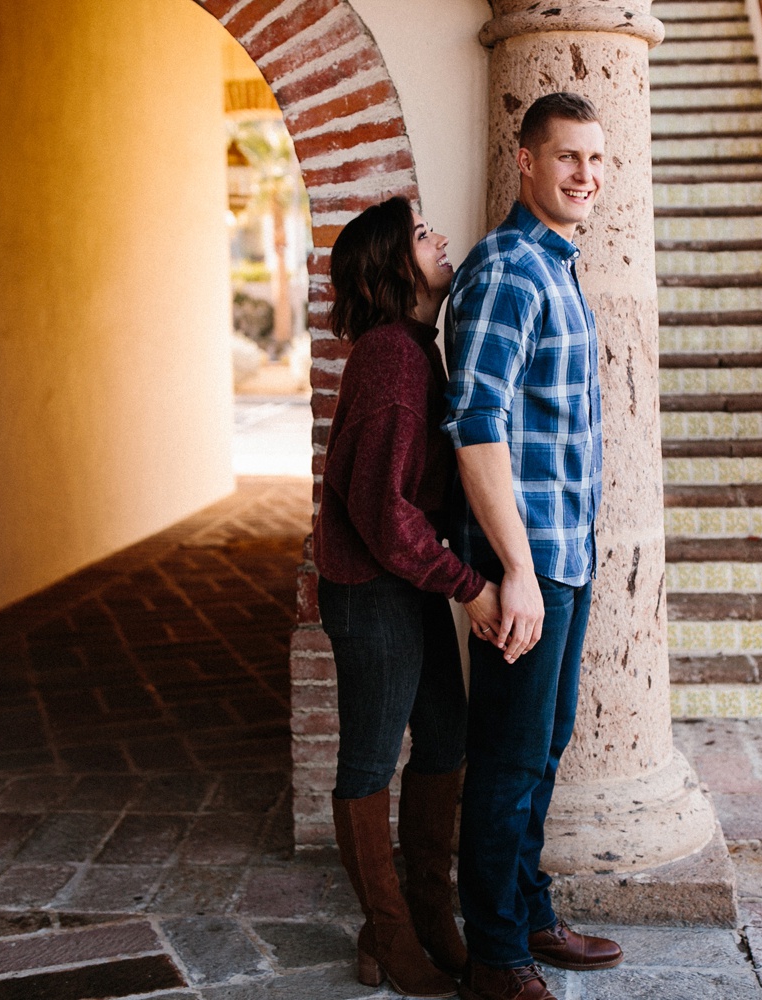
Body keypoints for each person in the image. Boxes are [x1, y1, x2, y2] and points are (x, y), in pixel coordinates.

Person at [442, 92, 624, 1000]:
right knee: (508, 762)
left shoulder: (557, 265)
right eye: (567, 157)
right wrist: (514, 570)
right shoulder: (510, 269)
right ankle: (495, 956)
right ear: (526, 160)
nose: (585, 175)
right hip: (529, 563)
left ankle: (527, 911)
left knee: (542, 750)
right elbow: (475, 425)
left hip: (566, 557)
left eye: (596, 159)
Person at [312, 196, 503, 999]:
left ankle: (427, 910)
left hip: (405, 581)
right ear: (393, 266)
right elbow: (384, 512)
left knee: (446, 738)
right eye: (422, 235)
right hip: (372, 591)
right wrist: (470, 587)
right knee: (368, 759)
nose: (440, 239)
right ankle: (388, 935)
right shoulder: (392, 357)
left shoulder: (413, 349)